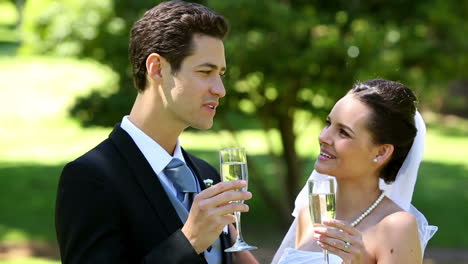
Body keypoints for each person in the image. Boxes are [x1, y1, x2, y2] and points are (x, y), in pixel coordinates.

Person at [55, 1, 258, 263]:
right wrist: (190, 240)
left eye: (220, 74)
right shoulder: (90, 179)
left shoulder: (207, 175)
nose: (220, 89)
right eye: (205, 72)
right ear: (157, 68)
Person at [273, 79, 437, 263]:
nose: (323, 137)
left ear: (381, 152)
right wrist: (233, 233)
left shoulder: (395, 227)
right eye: (328, 123)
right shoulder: (309, 216)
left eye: (343, 132)